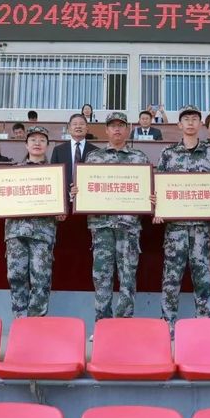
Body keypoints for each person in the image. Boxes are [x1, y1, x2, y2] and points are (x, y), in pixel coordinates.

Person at [155, 106, 210, 335]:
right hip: (175, 227)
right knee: (171, 276)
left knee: (202, 274)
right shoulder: (168, 153)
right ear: (179, 125)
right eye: (186, 119)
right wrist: (158, 207)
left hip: (201, 226)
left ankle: (203, 322)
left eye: (195, 119)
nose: (190, 122)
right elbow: (159, 186)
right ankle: (168, 323)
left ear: (200, 124)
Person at [75, 112, 150, 322]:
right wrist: (78, 192)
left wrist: (150, 197)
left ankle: (123, 325)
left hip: (128, 226)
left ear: (128, 129)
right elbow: (85, 188)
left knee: (128, 276)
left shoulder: (139, 158)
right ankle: (103, 324)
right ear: (106, 130)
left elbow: (147, 189)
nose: (117, 129)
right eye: (113, 125)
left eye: (121, 125)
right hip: (102, 226)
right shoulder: (94, 158)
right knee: (102, 276)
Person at [0, 126, 64, 318]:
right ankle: (20, 321)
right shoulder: (13, 172)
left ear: (47, 145)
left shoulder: (55, 174)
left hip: (42, 234)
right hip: (16, 233)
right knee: (16, 276)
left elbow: (61, 209)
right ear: (26, 145)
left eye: (42, 140)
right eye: (33, 139)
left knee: (41, 278)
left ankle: (36, 323)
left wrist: (62, 212)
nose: (37, 143)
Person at [51, 113, 98, 192]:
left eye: (81, 124)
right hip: (65, 195)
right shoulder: (58, 150)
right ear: (69, 128)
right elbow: (54, 175)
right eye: (75, 124)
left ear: (87, 128)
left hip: (88, 193)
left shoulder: (96, 151)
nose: (78, 126)